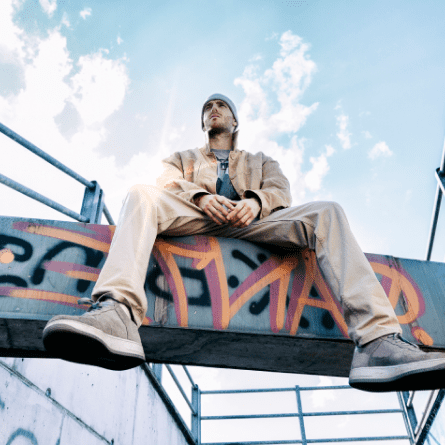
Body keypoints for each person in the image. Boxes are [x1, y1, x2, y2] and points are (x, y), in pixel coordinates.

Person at [43, 93, 445, 392]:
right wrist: (201, 197)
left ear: (235, 121)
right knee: (140, 194)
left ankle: (377, 342)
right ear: (204, 125)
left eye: (220, 107)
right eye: (207, 110)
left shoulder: (261, 160)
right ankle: (117, 314)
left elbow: (280, 190)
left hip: (254, 223)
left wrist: (255, 202)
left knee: (328, 211)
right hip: (195, 217)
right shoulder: (183, 156)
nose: (212, 111)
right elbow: (166, 180)